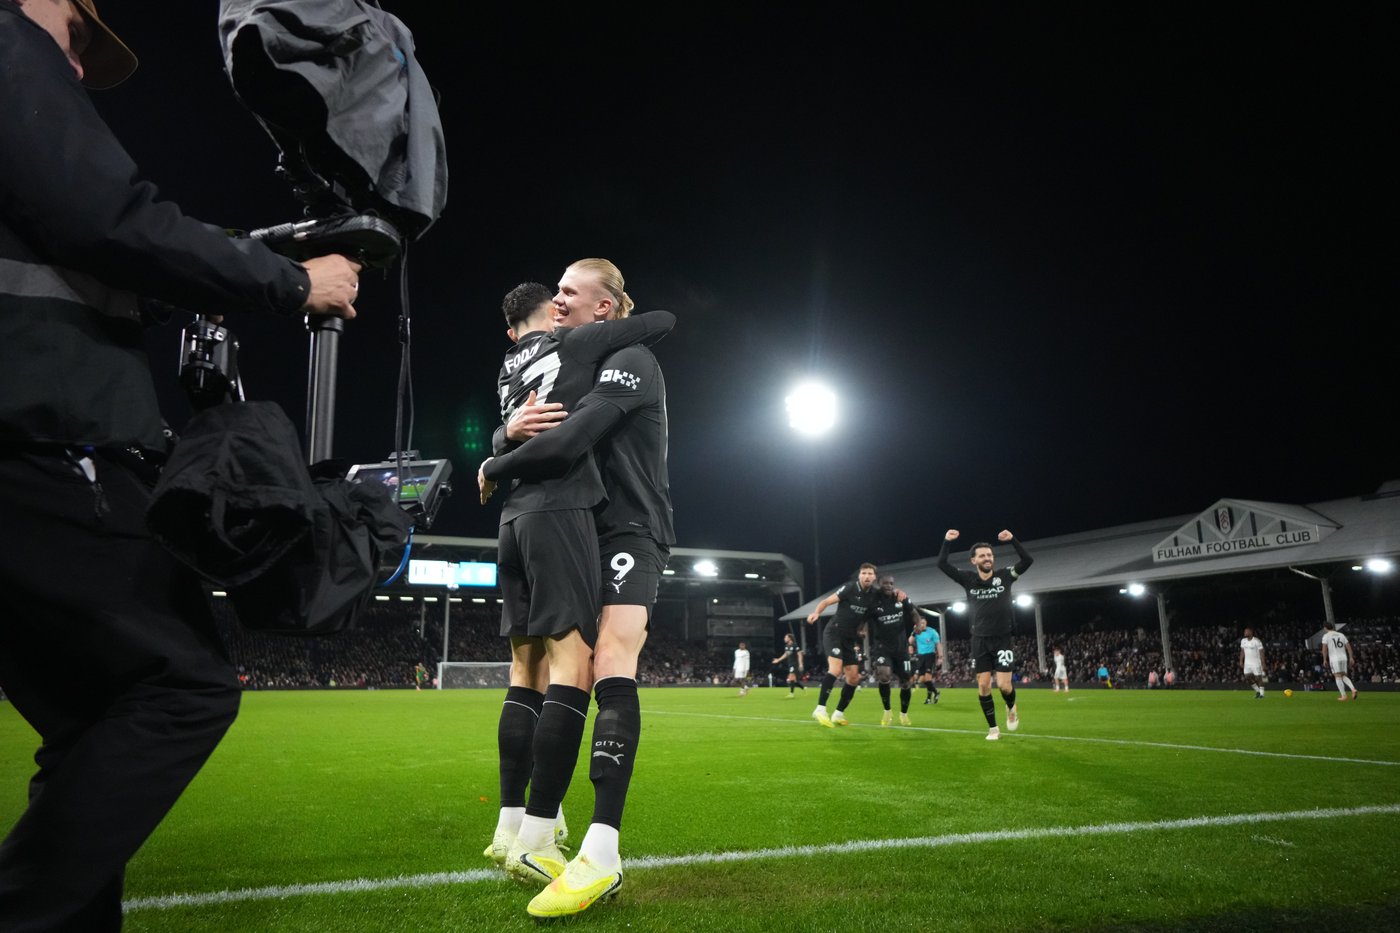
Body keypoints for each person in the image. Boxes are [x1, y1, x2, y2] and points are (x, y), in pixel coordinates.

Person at [0, 3, 362, 929]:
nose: (75, 66)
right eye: (79, 36)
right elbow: (110, 219)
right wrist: (292, 282)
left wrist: (252, 252)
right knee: (180, 683)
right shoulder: (8, 42)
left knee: (93, 718)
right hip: (38, 436)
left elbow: (93, 249)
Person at [480, 258, 673, 917]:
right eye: (555, 292)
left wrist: (495, 461)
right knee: (563, 667)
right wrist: (505, 432)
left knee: (610, 657)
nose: (556, 301)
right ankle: (533, 827)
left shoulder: (632, 360)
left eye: (568, 291)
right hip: (585, 527)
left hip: (631, 529)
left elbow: (571, 439)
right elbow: (536, 418)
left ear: (605, 308)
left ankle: (602, 850)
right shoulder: (570, 359)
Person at [937, 529, 1033, 741]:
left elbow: (1027, 560)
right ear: (973, 560)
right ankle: (993, 729)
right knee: (983, 685)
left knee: (1005, 686)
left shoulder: (1005, 576)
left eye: (989, 555)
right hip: (979, 639)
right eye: (982, 555)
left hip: (1003, 638)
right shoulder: (967, 579)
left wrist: (1013, 540)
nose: (987, 558)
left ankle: (1011, 706)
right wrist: (947, 541)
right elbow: (942, 564)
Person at [805, 564, 883, 727]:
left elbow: (865, 617)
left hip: (849, 638)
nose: (867, 576)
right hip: (834, 632)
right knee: (835, 669)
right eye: (863, 573)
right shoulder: (850, 588)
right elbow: (826, 601)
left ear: (875, 577)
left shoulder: (875, 595)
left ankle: (838, 714)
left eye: (870, 573)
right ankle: (820, 709)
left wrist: (860, 630)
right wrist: (816, 612)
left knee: (854, 678)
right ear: (859, 576)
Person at [870, 575, 917, 726]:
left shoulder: (900, 598)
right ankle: (887, 711)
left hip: (901, 649)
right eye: (885, 583)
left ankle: (904, 714)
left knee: (906, 682)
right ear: (879, 584)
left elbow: (914, 612)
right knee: (884, 676)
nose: (889, 586)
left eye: (891, 583)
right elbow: (863, 619)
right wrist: (860, 630)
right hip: (882, 648)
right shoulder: (873, 600)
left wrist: (918, 624)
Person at [1320, 621, 1357, 701]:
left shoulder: (1326, 636)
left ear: (1325, 628)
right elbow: (1348, 647)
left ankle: (1344, 696)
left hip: (1334, 658)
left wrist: (1324, 659)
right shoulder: (1341, 635)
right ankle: (1353, 689)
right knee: (1343, 675)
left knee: (1337, 676)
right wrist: (1351, 657)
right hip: (1343, 657)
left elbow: (1324, 649)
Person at [910, 614, 943, 704]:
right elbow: (910, 641)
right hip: (920, 657)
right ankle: (935, 693)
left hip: (930, 656)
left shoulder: (932, 632)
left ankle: (929, 698)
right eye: (920, 623)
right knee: (924, 679)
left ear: (926, 623)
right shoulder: (916, 632)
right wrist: (913, 632)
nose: (922, 625)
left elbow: (938, 644)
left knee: (928, 678)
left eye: (923, 623)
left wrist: (940, 657)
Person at [773, 633, 805, 697]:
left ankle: (791, 694)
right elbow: (785, 654)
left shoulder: (795, 645)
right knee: (792, 681)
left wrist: (801, 664)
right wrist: (778, 660)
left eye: (785, 637)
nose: (784, 639)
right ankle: (803, 688)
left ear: (789, 638)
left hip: (795, 664)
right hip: (790, 664)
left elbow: (799, 655)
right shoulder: (787, 646)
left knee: (790, 678)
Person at [1239, 627, 1267, 699]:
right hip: (1247, 663)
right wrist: (1241, 661)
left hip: (1256, 663)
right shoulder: (1243, 641)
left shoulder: (1257, 641)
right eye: (1244, 631)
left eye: (1246, 631)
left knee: (1258, 678)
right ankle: (1257, 691)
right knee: (1247, 677)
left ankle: (1262, 694)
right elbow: (1242, 651)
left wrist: (1263, 663)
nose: (1245, 633)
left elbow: (1261, 652)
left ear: (1251, 632)